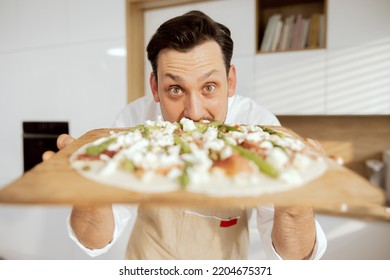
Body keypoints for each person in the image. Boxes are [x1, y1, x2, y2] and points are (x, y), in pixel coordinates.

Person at [46, 10, 327, 259]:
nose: (194, 113)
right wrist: (88, 194)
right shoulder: (131, 123)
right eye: (176, 90)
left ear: (230, 82)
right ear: (155, 87)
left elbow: (295, 259)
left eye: (209, 87)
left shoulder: (259, 126)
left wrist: (297, 207)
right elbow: (94, 242)